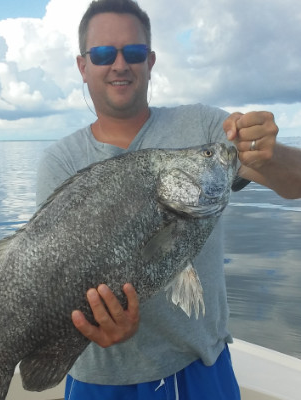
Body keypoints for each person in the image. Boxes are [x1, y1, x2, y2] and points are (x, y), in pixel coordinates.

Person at [36, 0, 301, 398]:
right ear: (83, 66)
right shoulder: (61, 160)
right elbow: (50, 276)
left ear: (151, 60)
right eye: (104, 53)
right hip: (99, 380)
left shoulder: (205, 126)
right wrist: (93, 324)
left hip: (199, 368)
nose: (120, 64)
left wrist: (270, 150)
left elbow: (293, 183)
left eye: (135, 52)